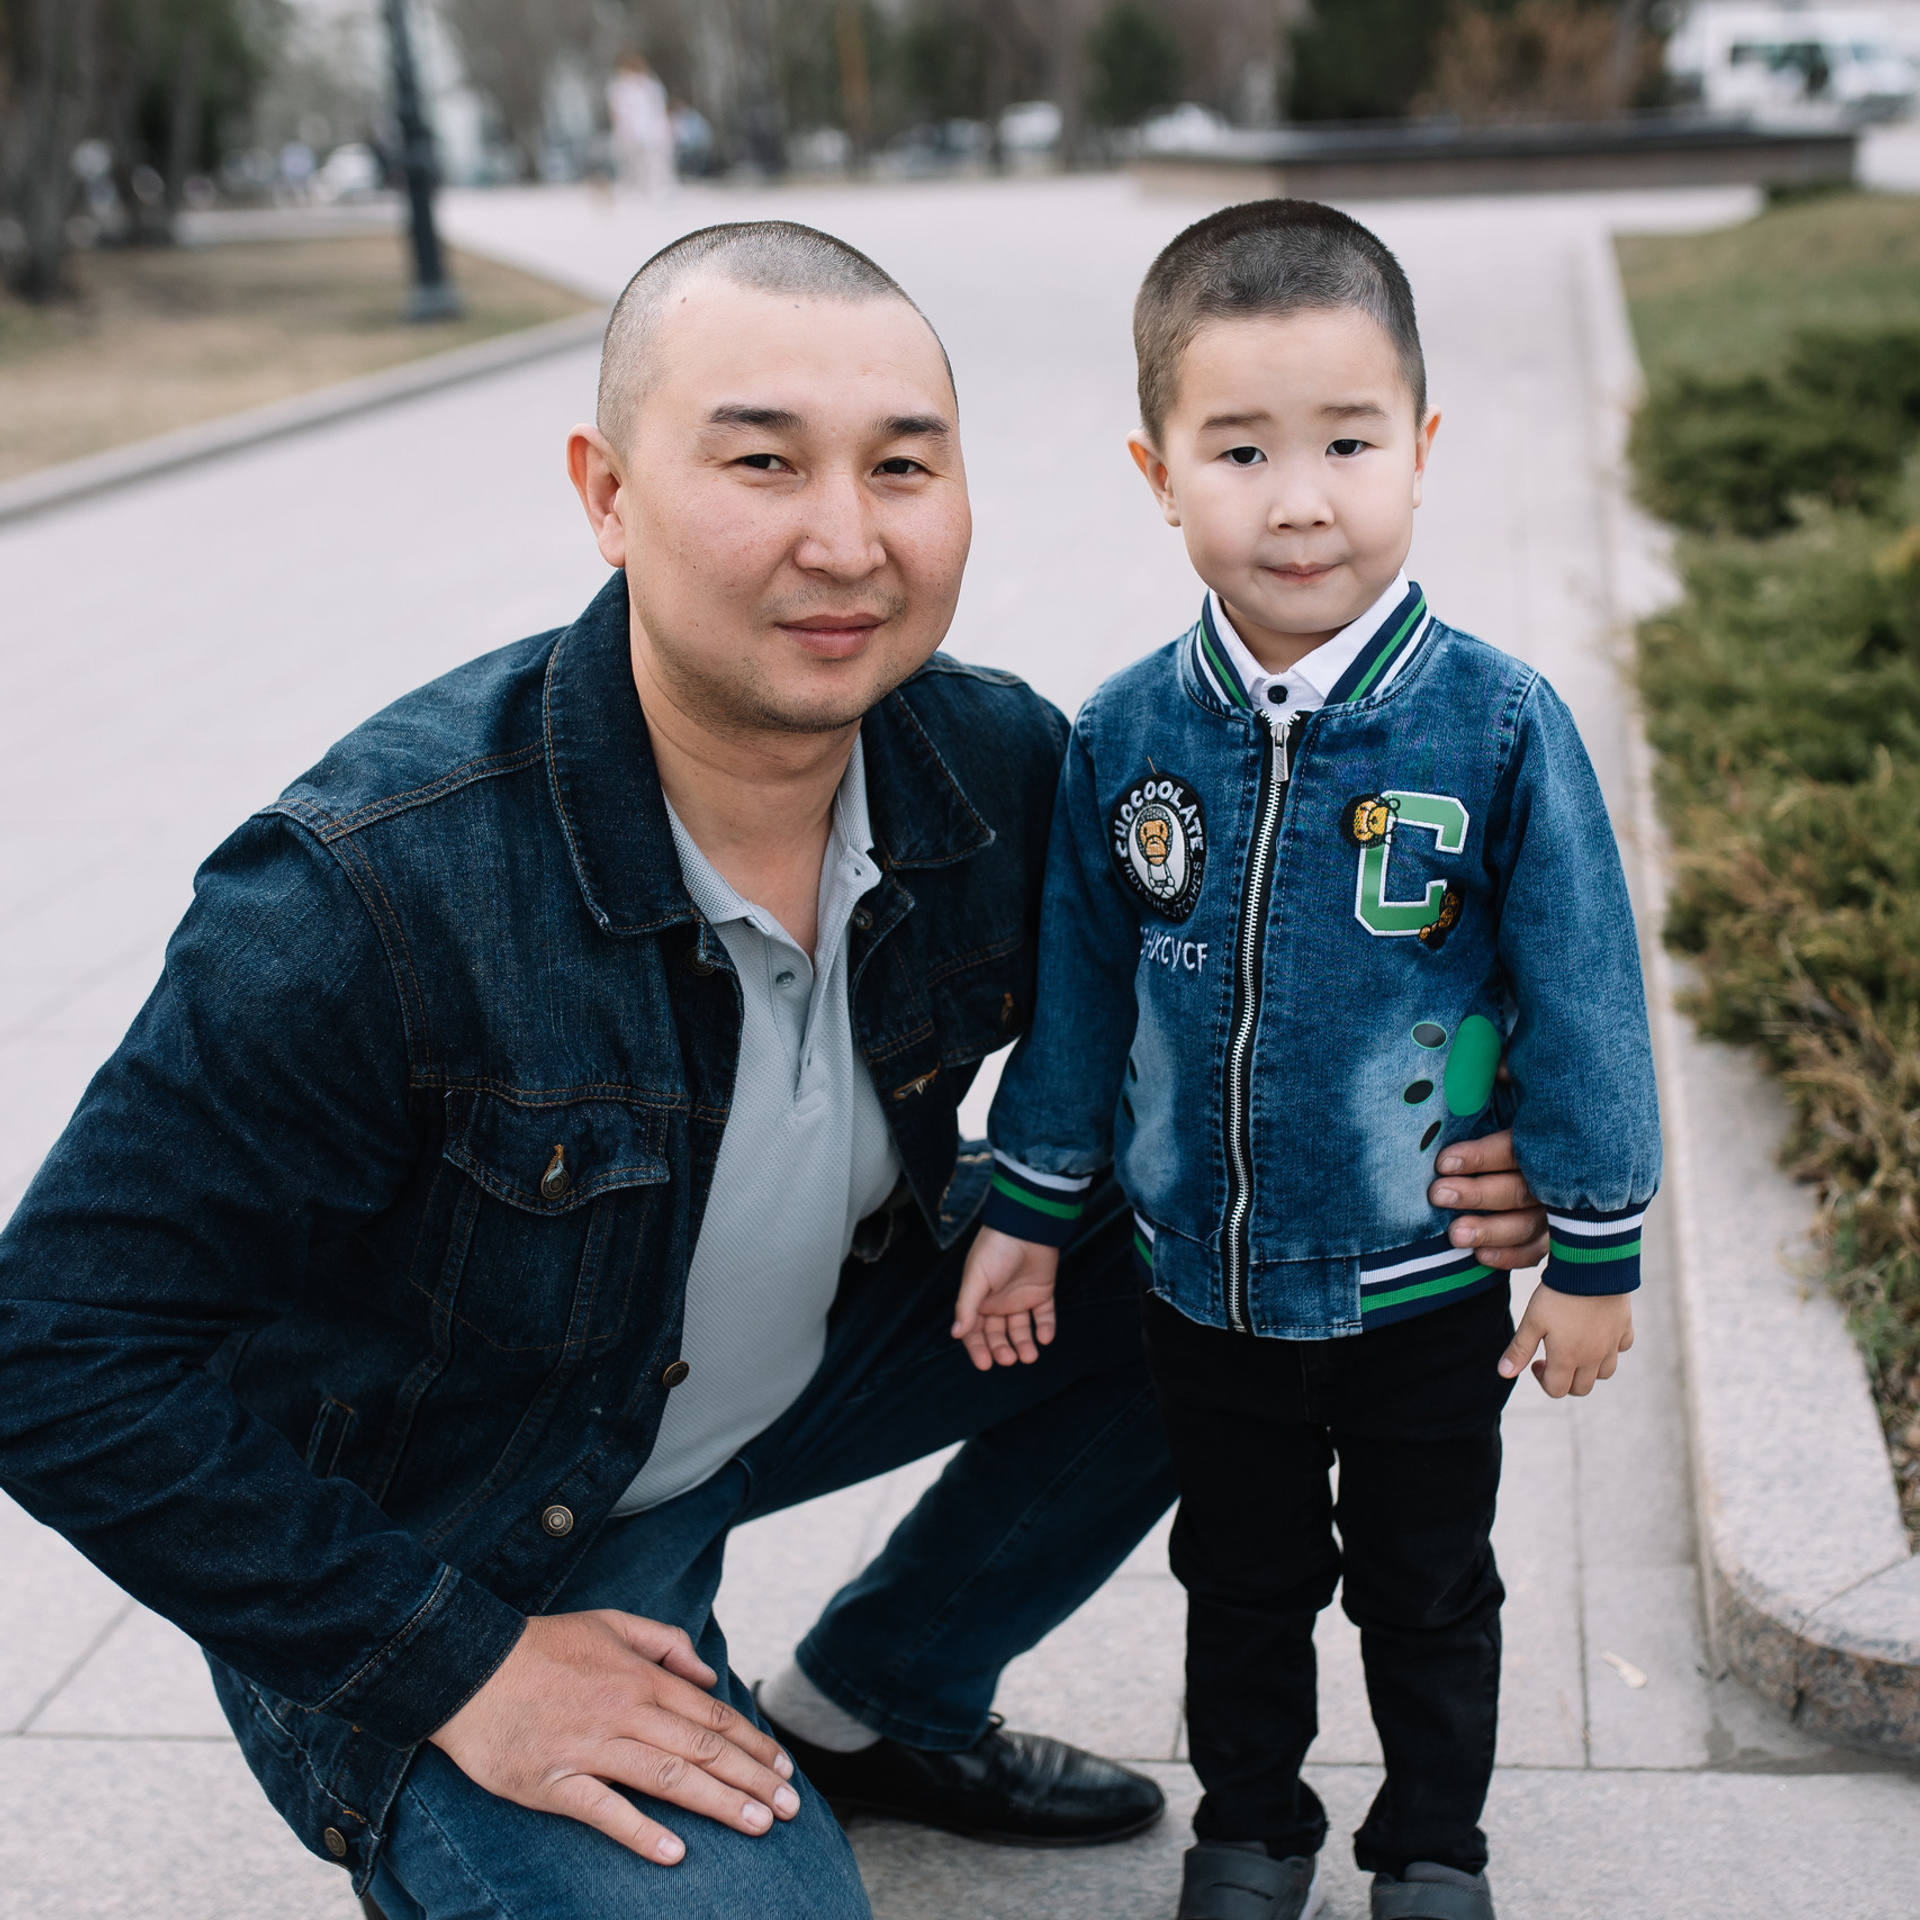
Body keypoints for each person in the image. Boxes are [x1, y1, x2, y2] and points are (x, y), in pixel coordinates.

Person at [0, 219, 1552, 1920]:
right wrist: (459, 1669)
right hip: (474, 1524)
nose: (846, 539)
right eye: (761, 463)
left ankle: (882, 1696)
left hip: (811, 1345)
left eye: (904, 467)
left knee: (1243, 1259)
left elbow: (1258, 989)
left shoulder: (995, 766)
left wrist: (1477, 1135)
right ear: (606, 493)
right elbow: (54, 1346)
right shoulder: (372, 892)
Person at [953, 200, 1661, 1920]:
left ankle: (1432, 1844)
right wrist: (1032, 1205)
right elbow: (1081, 989)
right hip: (1205, 1281)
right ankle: (1252, 1828)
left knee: (1429, 1582)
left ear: (1417, 450)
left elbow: (1583, 992)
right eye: (1241, 448)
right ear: (1158, 469)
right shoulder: (1127, 731)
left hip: (1419, 1277)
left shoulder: (1492, 724)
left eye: (1347, 442)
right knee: (1241, 1578)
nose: (1299, 499)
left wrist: (1593, 1247)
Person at [608, 51, 675, 197]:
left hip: (652, 133)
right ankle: (636, 193)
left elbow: (659, 108)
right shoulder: (620, 87)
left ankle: (658, 193)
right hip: (632, 134)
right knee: (633, 167)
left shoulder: (651, 86)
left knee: (656, 167)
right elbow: (617, 111)